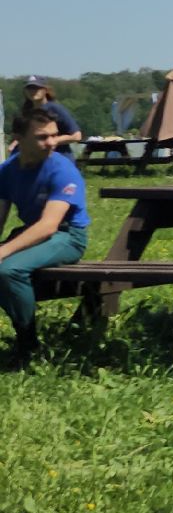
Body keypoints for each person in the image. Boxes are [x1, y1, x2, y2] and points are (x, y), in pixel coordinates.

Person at [0, 109, 91, 367]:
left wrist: (3, 251)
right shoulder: (7, 171)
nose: (52, 142)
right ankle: (23, 332)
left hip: (67, 236)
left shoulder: (62, 169)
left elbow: (49, 226)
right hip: (31, 233)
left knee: (9, 271)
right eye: (42, 137)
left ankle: (28, 346)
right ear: (18, 138)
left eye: (54, 135)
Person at [16, 77, 82, 156]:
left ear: (45, 90)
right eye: (29, 88)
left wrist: (51, 140)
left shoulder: (55, 108)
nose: (32, 91)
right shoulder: (26, 111)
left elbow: (77, 136)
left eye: (36, 88)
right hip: (36, 159)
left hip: (59, 157)